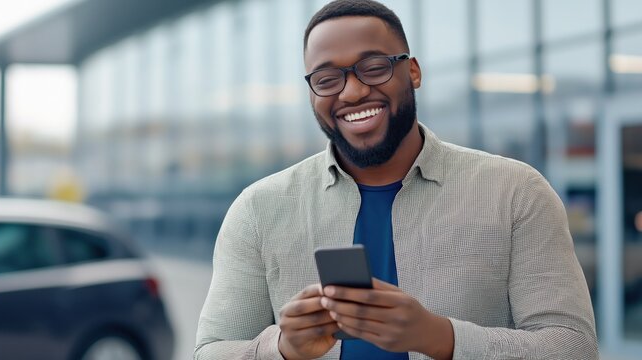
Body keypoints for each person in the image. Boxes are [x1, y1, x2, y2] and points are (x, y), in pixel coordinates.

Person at [195, 0, 597, 359]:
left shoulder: (515, 193)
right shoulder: (258, 209)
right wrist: (282, 349)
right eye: (326, 79)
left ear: (413, 71)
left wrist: (441, 338)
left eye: (373, 67)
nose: (351, 92)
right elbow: (212, 351)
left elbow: (573, 348)